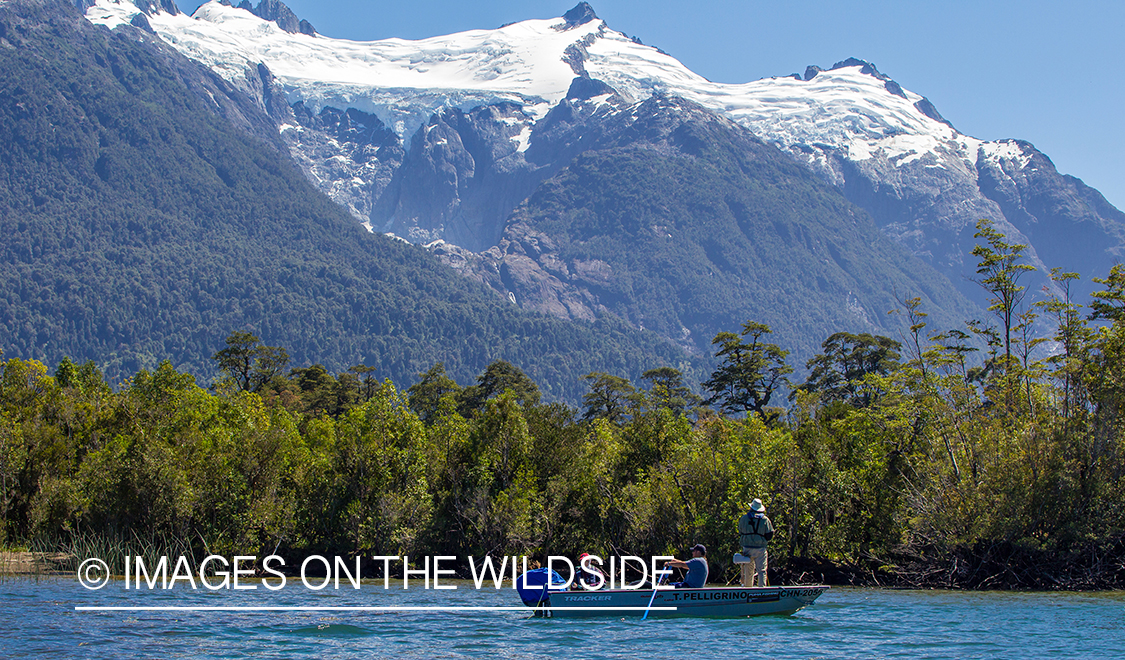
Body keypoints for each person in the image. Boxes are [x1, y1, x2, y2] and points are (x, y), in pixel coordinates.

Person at [738, 498, 774, 587]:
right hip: (760, 548)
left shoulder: (744, 518)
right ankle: (761, 589)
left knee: (748, 571)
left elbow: (740, 531)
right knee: (761, 571)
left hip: (747, 548)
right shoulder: (765, 520)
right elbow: (770, 535)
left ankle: (748, 589)